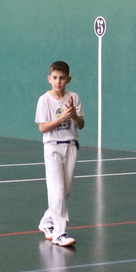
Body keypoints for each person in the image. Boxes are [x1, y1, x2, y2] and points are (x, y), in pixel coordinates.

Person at [36, 60, 84, 246]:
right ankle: (59, 233)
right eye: (55, 78)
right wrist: (62, 117)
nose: (58, 81)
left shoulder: (74, 97)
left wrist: (73, 115)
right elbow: (43, 128)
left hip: (71, 146)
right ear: (49, 79)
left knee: (65, 192)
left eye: (62, 78)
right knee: (56, 191)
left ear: (68, 79)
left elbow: (81, 125)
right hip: (52, 147)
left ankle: (46, 222)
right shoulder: (44, 100)